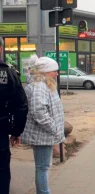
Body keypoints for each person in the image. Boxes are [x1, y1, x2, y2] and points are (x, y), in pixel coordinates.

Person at [21, 54, 65, 194]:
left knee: (44, 166)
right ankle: (43, 192)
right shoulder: (40, 86)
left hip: (44, 135)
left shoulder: (45, 85)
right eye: (55, 71)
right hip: (42, 135)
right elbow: (39, 112)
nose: (57, 74)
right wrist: (55, 129)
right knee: (42, 167)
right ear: (46, 72)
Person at [0, 37, 28, 194]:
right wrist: (16, 132)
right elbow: (21, 107)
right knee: (2, 172)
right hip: (1, 133)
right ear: (1, 49)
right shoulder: (8, 74)